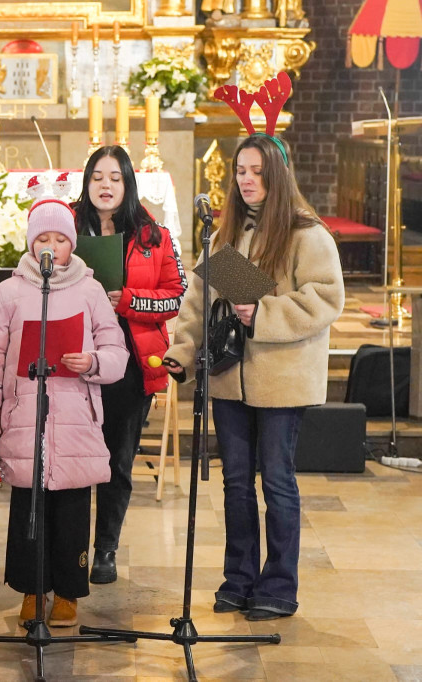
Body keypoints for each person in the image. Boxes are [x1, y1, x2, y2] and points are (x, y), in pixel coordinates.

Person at [164, 133, 344, 621]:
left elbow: (326, 298)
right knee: (236, 484)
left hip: (281, 378)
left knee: (278, 483)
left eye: (257, 171)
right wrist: (181, 352)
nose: (247, 179)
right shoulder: (226, 234)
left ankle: (280, 585)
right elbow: (198, 302)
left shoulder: (308, 234)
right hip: (228, 377)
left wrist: (263, 312)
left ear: (278, 175)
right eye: (241, 170)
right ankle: (239, 579)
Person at [0, 197, 128, 628]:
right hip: (24, 417)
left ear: (72, 245)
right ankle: (31, 589)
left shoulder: (90, 289)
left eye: (60, 239)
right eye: (43, 238)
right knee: (29, 510)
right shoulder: (10, 291)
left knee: (73, 510)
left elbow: (117, 352)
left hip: (76, 417)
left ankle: (67, 594)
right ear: (30, 242)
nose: (52, 246)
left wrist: (92, 362)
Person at [72, 146, 188, 584]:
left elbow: (177, 293)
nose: (105, 185)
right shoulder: (67, 226)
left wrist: (132, 301)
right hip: (75, 358)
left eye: (115, 177)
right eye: (97, 177)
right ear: (86, 182)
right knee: (76, 460)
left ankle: (105, 549)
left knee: (118, 462)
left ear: (128, 184)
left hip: (132, 362)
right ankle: (73, 548)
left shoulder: (152, 235)